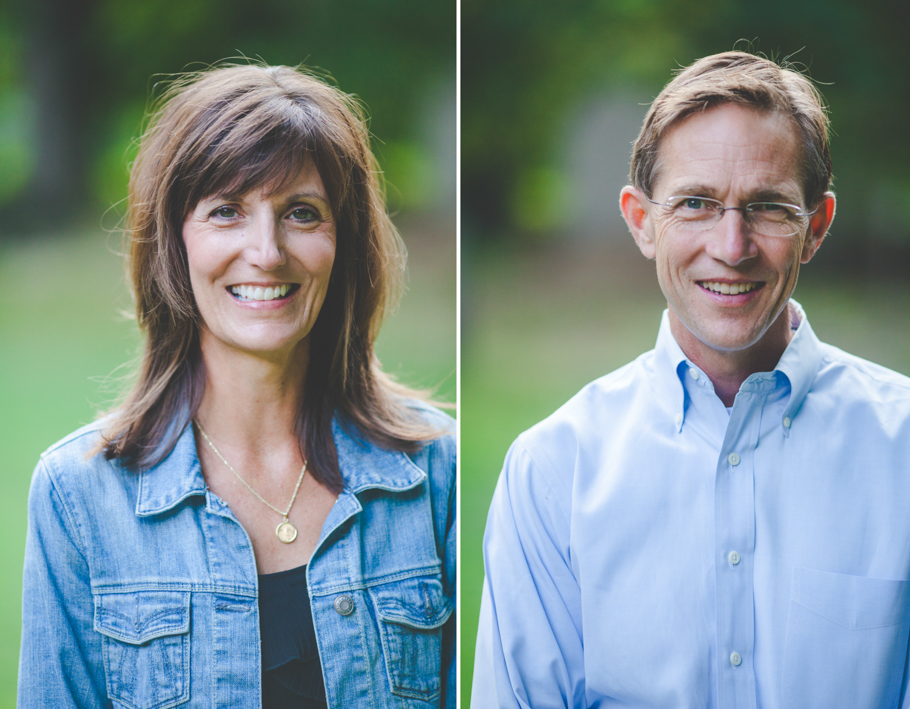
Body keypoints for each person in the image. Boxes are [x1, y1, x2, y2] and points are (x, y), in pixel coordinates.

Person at [472, 51, 910, 708]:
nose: (732, 247)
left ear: (815, 227)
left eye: (767, 207)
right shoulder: (551, 471)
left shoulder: (901, 450)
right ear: (642, 220)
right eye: (697, 203)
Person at [18, 64, 455, 708]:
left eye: (301, 214)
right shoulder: (78, 496)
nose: (267, 251)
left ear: (344, 242)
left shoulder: (434, 472)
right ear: (174, 243)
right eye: (226, 211)